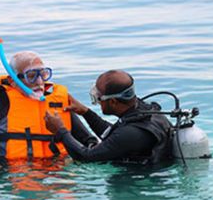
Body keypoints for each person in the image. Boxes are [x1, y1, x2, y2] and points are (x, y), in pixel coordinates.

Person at [0, 51, 98, 162]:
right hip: (10, 177)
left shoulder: (58, 102)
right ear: (12, 80)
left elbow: (89, 141)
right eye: (31, 76)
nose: (39, 82)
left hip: (58, 174)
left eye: (43, 74)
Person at [44, 70, 174, 165]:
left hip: (139, 186)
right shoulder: (145, 112)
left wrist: (60, 131)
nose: (98, 102)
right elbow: (112, 135)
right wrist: (86, 112)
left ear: (113, 102)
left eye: (98, 98)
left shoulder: (130, 133)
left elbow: (86, 157)